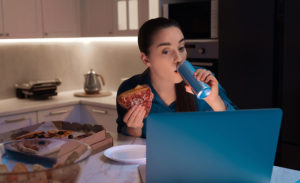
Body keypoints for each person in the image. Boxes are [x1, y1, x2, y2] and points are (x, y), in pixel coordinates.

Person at [116, 17, 237, 138]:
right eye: (166, 51)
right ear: (146, 59)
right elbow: (124, 146)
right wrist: (133, 130)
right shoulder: (129, 90)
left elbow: (235, 129)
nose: (179, 58)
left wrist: (214, 100)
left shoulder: (203, 83)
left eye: (181, 48)